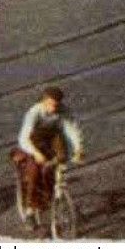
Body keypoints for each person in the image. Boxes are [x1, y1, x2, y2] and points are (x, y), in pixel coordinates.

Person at [11, 86, 84, 230]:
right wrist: (36, 152)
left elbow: (72, 130)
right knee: (34, 172)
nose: (53, 107)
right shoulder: (34, 113)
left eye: (56, 105)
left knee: (60, 159)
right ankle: (30, 212)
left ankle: (57, 194)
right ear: (44, 102)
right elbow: (24, 138)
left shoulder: (64, 111)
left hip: (52, 139)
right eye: (50, 104)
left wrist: (78, 149)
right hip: (33, 143)